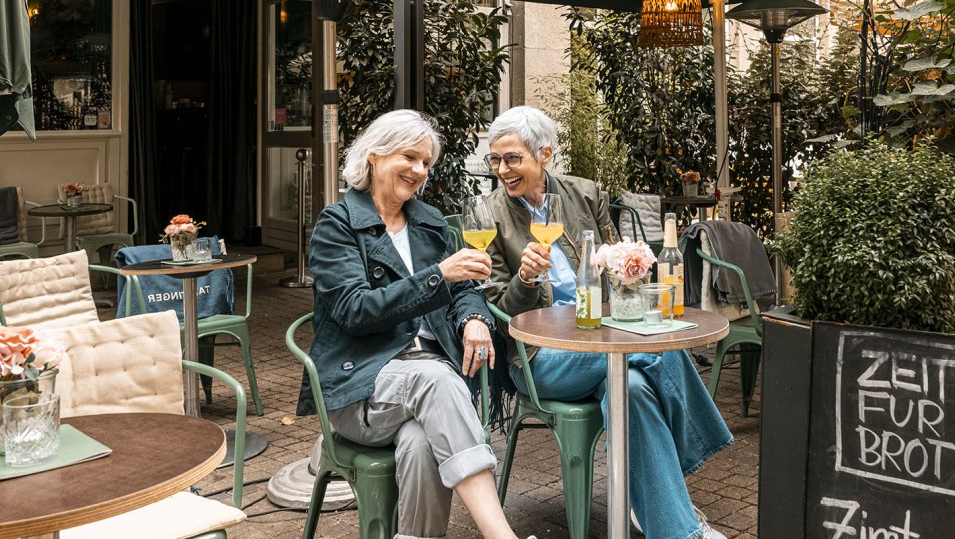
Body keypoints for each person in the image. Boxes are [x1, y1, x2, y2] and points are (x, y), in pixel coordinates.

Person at [480, 106, 733, 539]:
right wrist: (524, 279)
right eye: (495, 159)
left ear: (544, 154)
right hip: (539, 357)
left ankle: (671, 526)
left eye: (512, 158)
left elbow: (617, 268)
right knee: (658, 347)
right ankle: (696, 447)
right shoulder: (491, 215)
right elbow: (499, 310)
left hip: (602, 336)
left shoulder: (584, 194)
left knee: (632, 389)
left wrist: (626, 267)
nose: (502, 169)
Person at [300, 109, 530, 539]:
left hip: (423, 389)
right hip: (361, 388)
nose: (419, 170)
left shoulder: (427, 221)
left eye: (426, 162)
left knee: (422, 443)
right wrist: (438, 275)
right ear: (374, 156)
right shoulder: (338, 225)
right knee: (437, 380)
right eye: (409, 157)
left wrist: (476, 318)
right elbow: (355, 310)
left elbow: (464, 291)